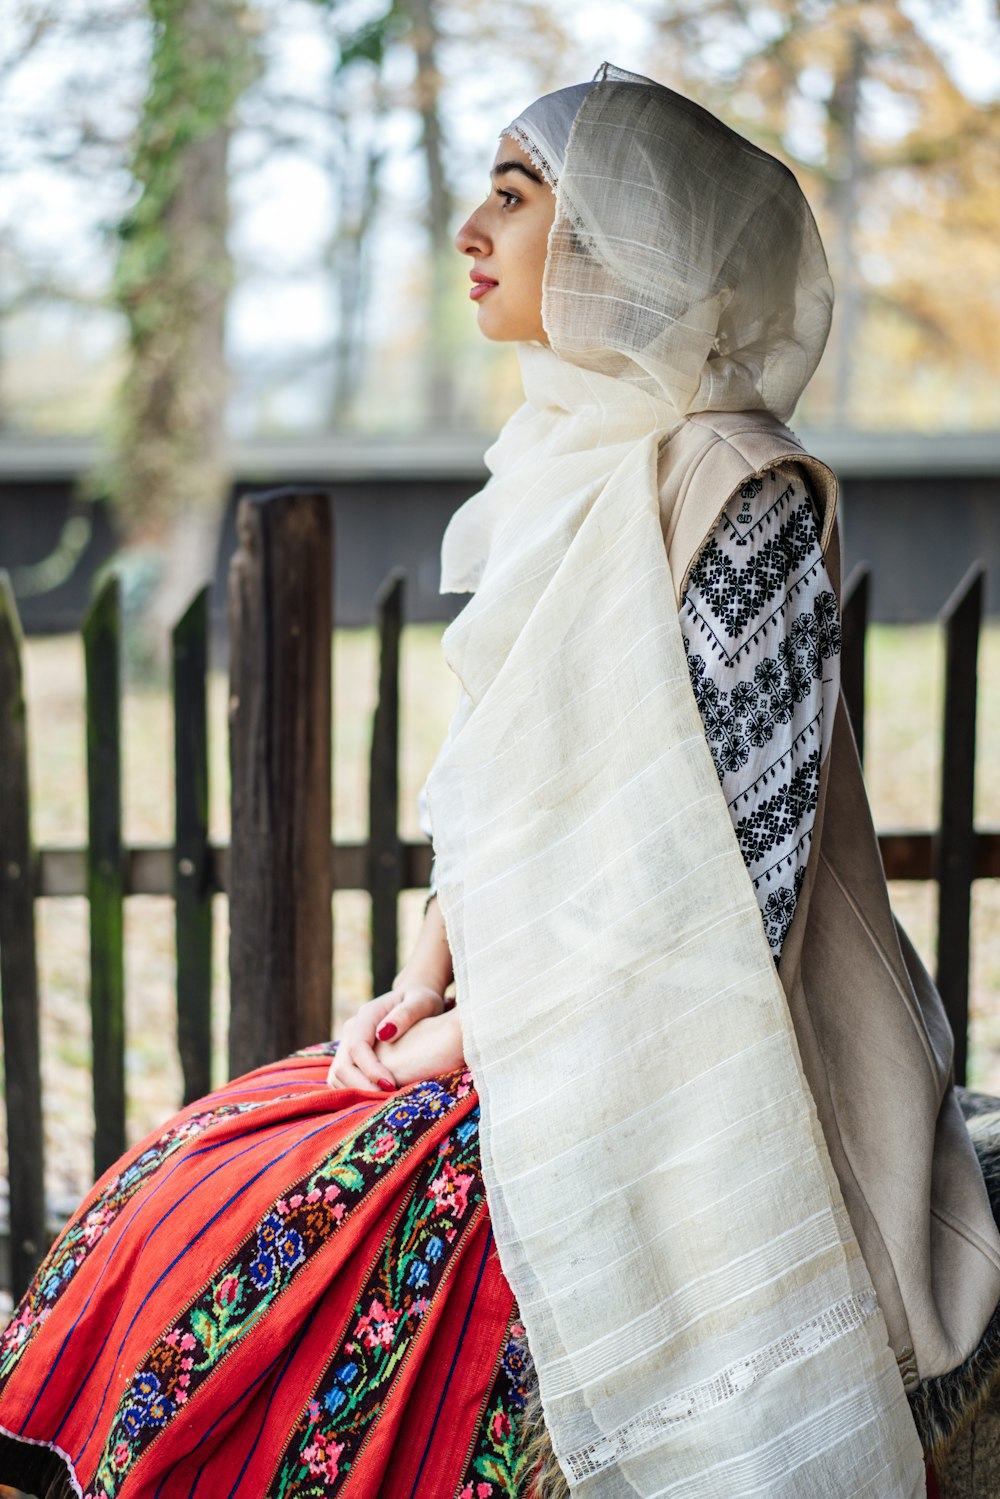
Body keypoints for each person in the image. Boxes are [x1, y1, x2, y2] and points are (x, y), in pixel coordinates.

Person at [0, 62, 996, 1499]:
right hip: (519, 1011)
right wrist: (418, 986)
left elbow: (729, 880)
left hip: (684, 1055)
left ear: (620, 248)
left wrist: (467, 1049)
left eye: (518, 199)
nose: (471, 231)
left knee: (344, 1270)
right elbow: (494, 787)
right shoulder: (549, 465)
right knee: (204, 1173)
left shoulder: (740, 487)